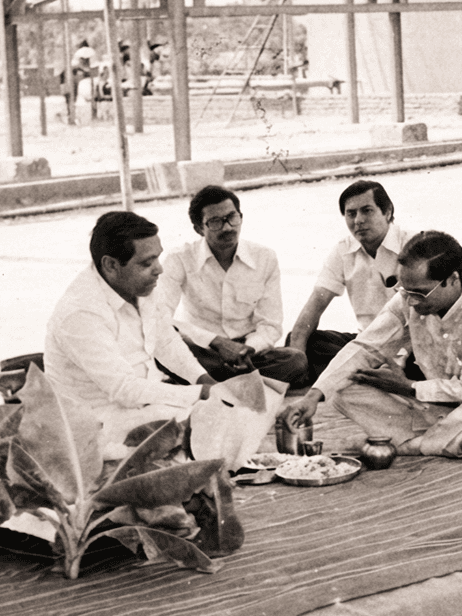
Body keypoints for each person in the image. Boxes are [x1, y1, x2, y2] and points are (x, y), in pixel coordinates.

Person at [278, 231, 462, 459]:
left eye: (419, 293)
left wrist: (407, 387)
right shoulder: (409, 299)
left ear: (453, 279)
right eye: (404, 290)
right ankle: (448, 439)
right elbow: (365, 347)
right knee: (341, 386)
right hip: (438, 406)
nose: (410, 300)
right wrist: (312, 396)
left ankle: (412, 446)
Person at [45, 211, 215, 455]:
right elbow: (124, 389)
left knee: (227, 417)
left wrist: (203, 379)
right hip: (97, 430)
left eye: (158, 258)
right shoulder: (80, 312)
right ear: (111, 265)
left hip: (145, 409)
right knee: (208, 429)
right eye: (147, 263)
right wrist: (200, 394)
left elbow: (166, 342)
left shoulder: (139, 285)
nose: (159, 270)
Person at [158, 185, 308, 386]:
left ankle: (211, 384)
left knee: (296, 360)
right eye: (215, 222)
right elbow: (159, 315)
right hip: (203, 349)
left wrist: (247, 350)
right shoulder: (179, 259)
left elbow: (270, 324)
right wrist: (216, 342)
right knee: (161, 347)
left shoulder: (264, 257)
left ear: (241, 217)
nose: (228, 227)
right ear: (198, 228)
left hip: (248, 354)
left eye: (232, 217)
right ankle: (245, 385)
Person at [287, 180, 412, 383]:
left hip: (409, 345)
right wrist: (295, 358)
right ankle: (362, 375)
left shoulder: (413, 244)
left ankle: (359, 376)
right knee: (305, 341)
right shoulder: (343, 250)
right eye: (351, 214)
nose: (358, 220)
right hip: (366, 344)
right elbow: (315, 305)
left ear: (387, 212)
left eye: (367, 211)